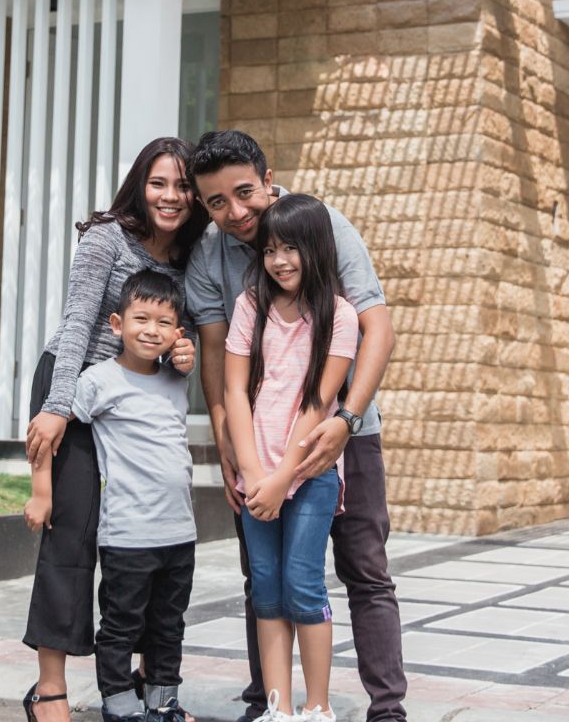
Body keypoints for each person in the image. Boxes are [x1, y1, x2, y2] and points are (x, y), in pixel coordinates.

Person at [185, 131, 404, 722]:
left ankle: (386, 708)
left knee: (364, 568)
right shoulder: (210, 253)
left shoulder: (323, 225)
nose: (235, 212)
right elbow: (215, 357)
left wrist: (347, 419)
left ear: (268, 174)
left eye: (245, 192)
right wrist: (228, 444)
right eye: (216, 202)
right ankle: (269, 702)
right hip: (256, 440)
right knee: (265, 576)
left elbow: (375, 328)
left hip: (343, 431)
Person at [22, 137, 210, 722]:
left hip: (139, 397)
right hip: (75, 386)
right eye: (159, 183)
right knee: (70, 533)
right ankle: (49, 688)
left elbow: (180, 330)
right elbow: (78, 323)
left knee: (144, 539)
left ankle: (151, 685)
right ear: (140, 184)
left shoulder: (191, 254)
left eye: (182, 186)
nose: (171, 196)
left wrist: (180, 353)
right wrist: (56, 407)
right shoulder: (106, 237)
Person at [223, 196, 357, 722]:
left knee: (303, 585)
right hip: (256, 476)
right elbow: (235, 391)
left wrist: (284, 476)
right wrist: (254, 473)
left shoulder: (340, 316)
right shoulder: (250, 307)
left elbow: (320, 401)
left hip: (311, 476)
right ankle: (277, 708)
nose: (280, 260)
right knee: (268, 590)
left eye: (292, 248)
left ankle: (317, 707)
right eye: (272, 249)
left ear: (316, 248)